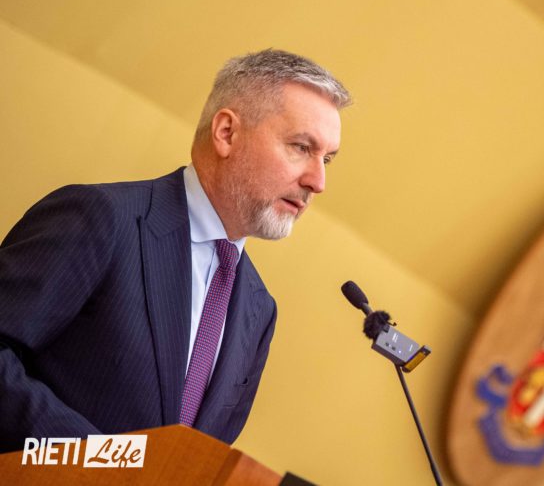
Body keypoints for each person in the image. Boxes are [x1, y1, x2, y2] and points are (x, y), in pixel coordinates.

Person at [0, 49, 351, 452]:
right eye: (301, 147)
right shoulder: (102, 218)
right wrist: (111, 464)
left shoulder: (260, 309)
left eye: (327, 159)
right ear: (226, 133)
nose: (318, 182)